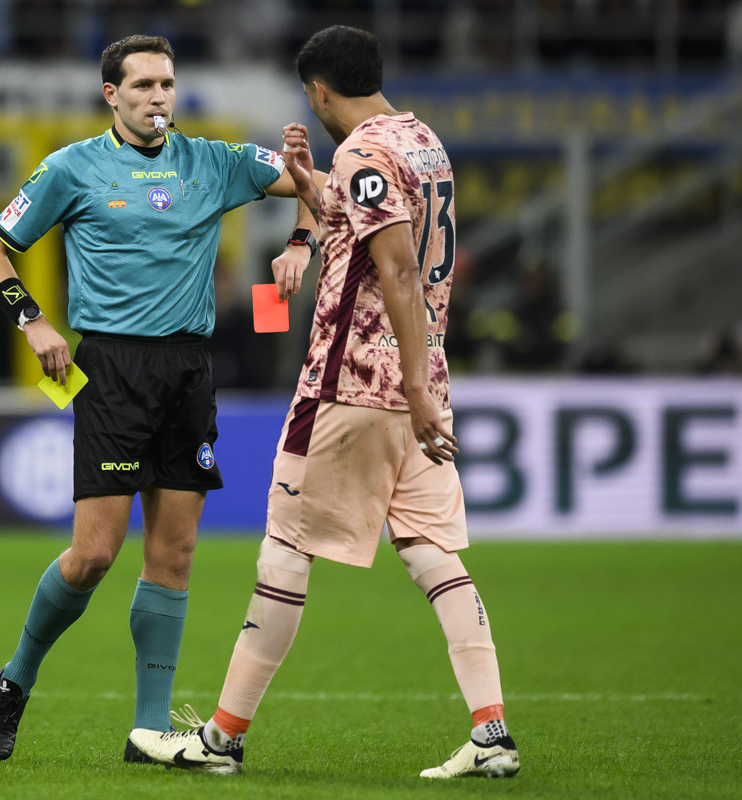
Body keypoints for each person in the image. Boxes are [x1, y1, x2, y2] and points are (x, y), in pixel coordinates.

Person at [127, 25, 520, 779]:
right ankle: (491, 731)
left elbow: (397, 271)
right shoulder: (421, 141)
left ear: (318, 91)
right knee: (432, 550)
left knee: (285, 548)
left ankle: (222, 739)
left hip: (353, 387)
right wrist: (312, 193)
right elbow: (378, 238)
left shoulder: (366, 154)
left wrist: (403, 379)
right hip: (423, 381)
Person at [0, 34, 324, 763]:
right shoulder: (71, 168)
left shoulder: (214, 161)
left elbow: (311, 184)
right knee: (94, 554)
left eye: (166, 83)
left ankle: (150, 729)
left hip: (189, 369)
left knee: (176, 552)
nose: (158, 96)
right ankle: (15, 678)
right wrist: (32, 322)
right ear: (112, 95)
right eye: (142, 86)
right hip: (111, 370)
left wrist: (299, 240)